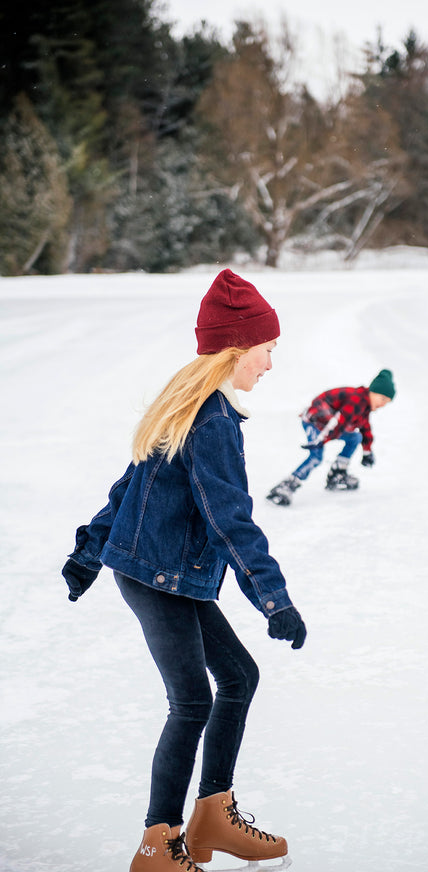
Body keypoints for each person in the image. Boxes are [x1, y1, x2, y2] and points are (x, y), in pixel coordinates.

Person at [61, 269, 306, 872]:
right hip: (158, 575)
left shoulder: (188, 402)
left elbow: (128, 489)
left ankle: (210, 818)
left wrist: (89, 552)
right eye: (268, 349)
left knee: (239, 677)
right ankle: (158, 845)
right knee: (192, 700)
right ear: (237, 347)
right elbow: (231, 521)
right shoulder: (210, 421)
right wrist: (274, 600)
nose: (271, 364)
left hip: (170, 571)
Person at [267, 369, 396, 506]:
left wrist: (367, 452)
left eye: (386, 402)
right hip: (315, 422)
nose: (383, 404)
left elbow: (365, 428)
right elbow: (338, 422)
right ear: (372, 391)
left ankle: (337, 473)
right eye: (382, 399)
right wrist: (320, 441)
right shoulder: (357, 399)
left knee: (355, 437)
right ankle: (285, 486)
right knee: (316, 456)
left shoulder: (365, 406)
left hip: (329, 427)